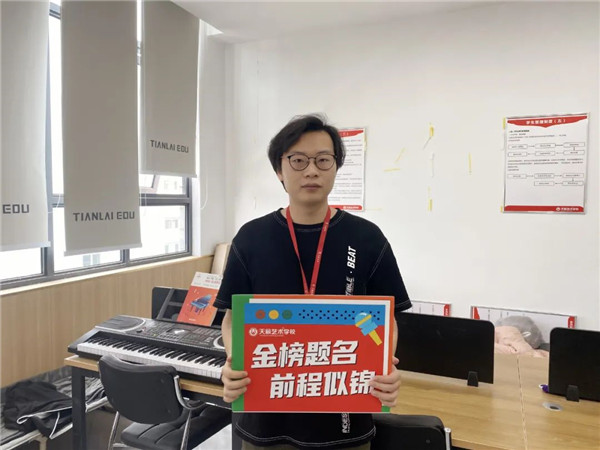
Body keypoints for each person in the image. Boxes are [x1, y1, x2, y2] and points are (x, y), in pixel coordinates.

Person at [214, 114, 412, 450]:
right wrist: (233, 362)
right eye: (298, 160)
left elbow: (386, 319)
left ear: (336, 167)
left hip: (344, 423)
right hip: (265, 420)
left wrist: (385, 368)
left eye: (323, 160)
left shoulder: (367, 238)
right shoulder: (250, 238)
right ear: (280, 170)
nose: (311, 171)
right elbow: (233, 318)